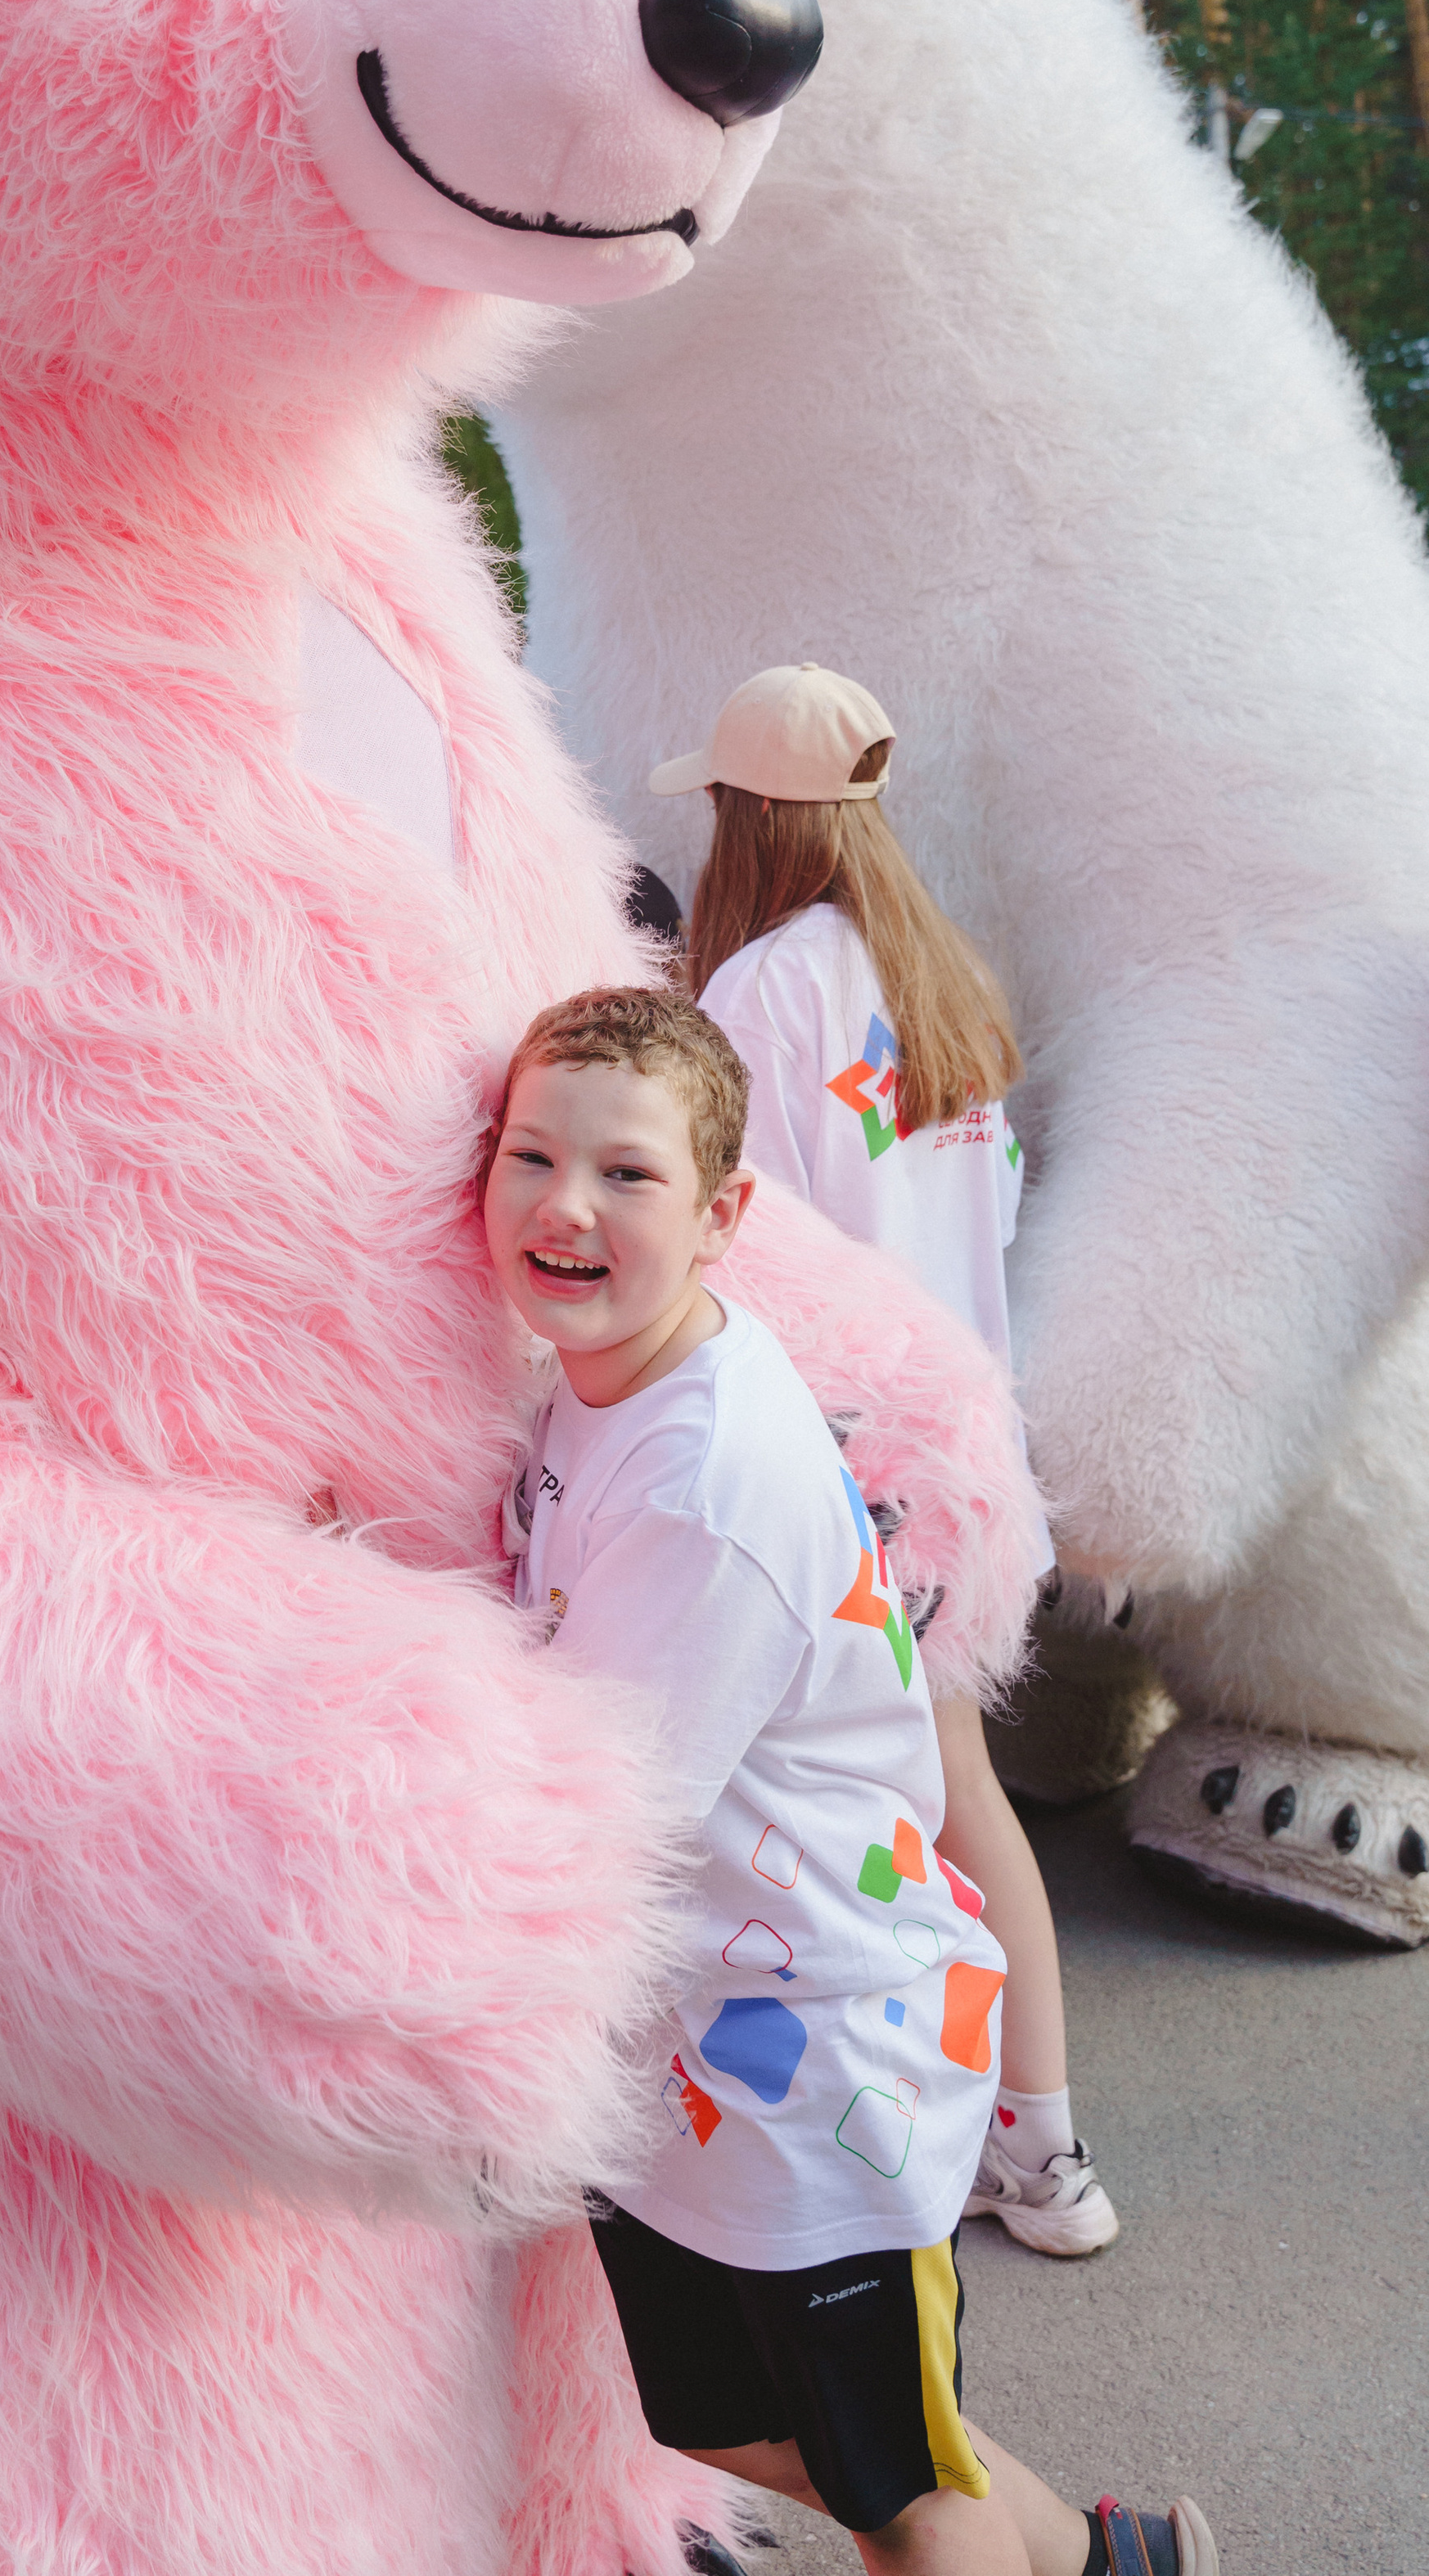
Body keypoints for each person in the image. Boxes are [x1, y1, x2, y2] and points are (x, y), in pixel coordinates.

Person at [480, 988, 1213, 2576]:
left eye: (625, 1175)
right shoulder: (599, 1375)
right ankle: (1114, 2561)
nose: (563, 1204)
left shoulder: (704, 1487)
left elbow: (608, 1816)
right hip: (705, 2057)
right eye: (529, 1155)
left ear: (724, 1213)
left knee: (897, 2496)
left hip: (825, 2069)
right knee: (770, 2432)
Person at [650, 665, 1112, 2263]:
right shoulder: (943, 985)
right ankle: (1026, 2143)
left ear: (742, 818)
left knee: (876, 1820)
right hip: (967, 1444)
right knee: (956, 1800)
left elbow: (733, 1249)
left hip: (846, 1453)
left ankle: (982, 2150)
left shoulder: (751, 994)